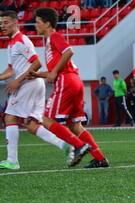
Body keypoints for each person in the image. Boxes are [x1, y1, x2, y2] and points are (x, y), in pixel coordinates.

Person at [30, 7, 109, 169]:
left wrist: (54, 72)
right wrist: (38, 75)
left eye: (38, 22)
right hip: (74, 81)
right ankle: (100, 159)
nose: (35, 25)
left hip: (66, 81)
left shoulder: (54, 36)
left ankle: (78, 145)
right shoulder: (48, 42)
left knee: (46, 120)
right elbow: (55, 70)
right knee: (75, 125)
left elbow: (69, 52)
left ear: (47, 24)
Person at [0, 10, 72, 170]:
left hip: (28, 83)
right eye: (1, 23)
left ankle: (12, 160)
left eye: (5, 23)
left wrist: (17, 81)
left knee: (10, 117)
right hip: (33, 84)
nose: (2, 26)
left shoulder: (21, 40)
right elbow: (11, 71)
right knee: (32, 125)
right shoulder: (12, 43)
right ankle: (65, 145)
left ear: (15, 23)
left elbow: (37, 63)